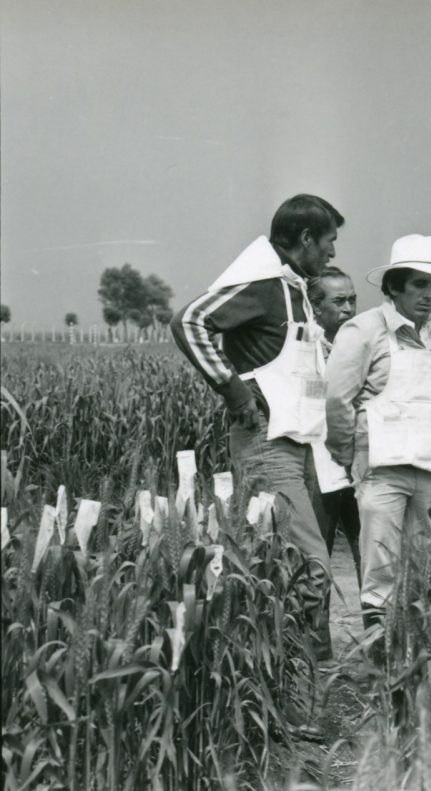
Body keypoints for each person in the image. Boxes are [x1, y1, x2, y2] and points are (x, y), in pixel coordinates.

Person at [171, 194, 343, 666]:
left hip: (297, 443)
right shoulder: (265, 285)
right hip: (268, 443)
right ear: (305, 238)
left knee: (275, 565)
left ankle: (269, 675)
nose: (332, 253)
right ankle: (291, 686)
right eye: (329, 242)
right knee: (311, 567)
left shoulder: (294, 290)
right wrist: (233, 390)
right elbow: (189, 321)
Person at [324, 234, 431, 621]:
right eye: (419, 284)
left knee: (426, 570)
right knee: (382, 573)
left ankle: (415, 659)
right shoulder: (364, 330)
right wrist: (351, 455)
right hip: (382, 471)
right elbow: (337, 401)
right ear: (394, 285)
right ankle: (377, 662)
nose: (430, 294)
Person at [308, 266, 362, 582]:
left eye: (352, 300)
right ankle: (317, 632)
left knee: (368, 554)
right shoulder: (304, 348)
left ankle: (376, 629)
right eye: (339, 301)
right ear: (315, 307)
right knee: (318, 559)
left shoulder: (359, 345)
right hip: (318, 466)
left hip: (358, 464)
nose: (348, 309)